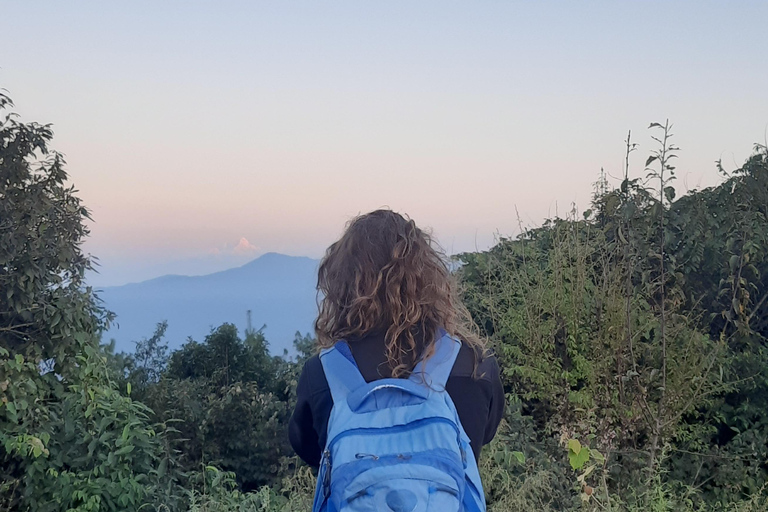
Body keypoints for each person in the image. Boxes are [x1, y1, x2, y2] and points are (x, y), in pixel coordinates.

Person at [289, 209, 504, 471]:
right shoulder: (475, 365)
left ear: (342, 284)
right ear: (428, 278)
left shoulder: (323, 374)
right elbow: (485, 433)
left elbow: (310, 450)